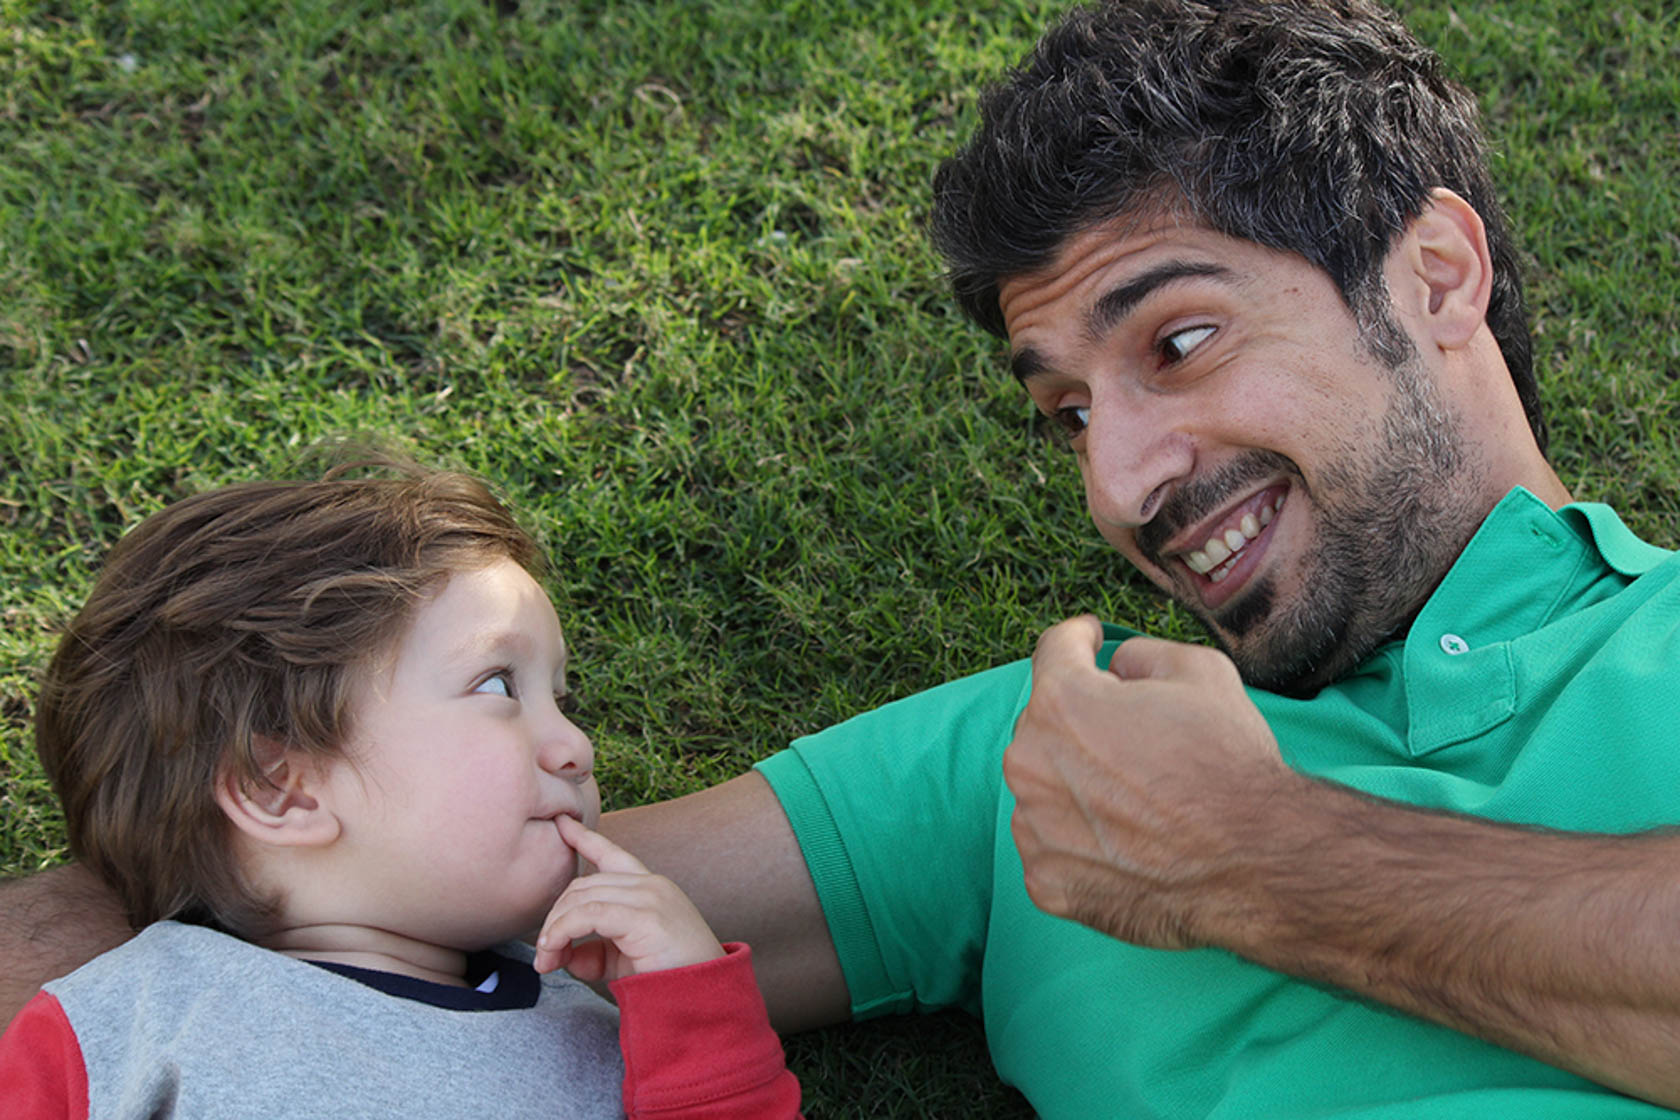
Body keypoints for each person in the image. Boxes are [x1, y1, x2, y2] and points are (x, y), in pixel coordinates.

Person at [5, 0, 1679, 1116]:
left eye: (1175, 342)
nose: (1125, 481)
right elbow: (431, 886)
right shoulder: (1055, 759)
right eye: (1065, 414)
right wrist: (200, 832)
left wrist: (1252, 855)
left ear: (1437, 280)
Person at [0, 460, 801, 1118]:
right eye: (497, 687)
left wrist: (696, 1017)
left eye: (562, 696)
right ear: (280, 789)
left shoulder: (612, 1024)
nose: (576, 746)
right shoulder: (127, 1020)